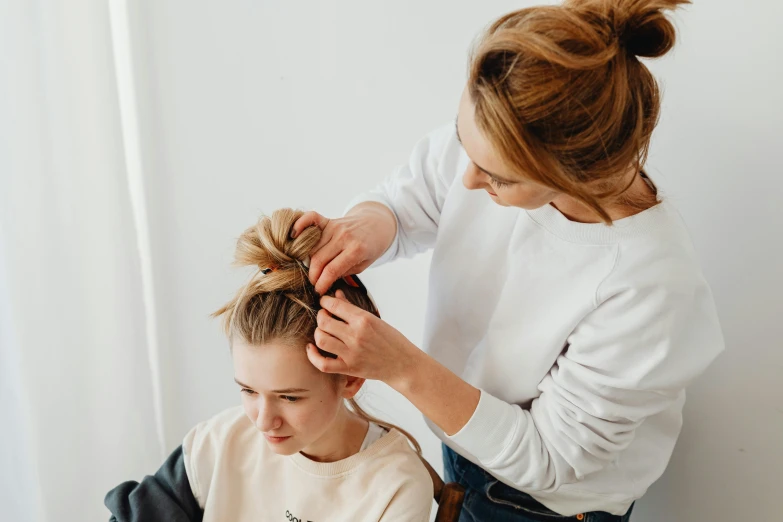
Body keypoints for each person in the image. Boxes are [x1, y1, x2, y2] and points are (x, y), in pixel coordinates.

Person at [293, 1, 724, 520]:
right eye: (462, 140)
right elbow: (418, 194)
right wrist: (372, 221)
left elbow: (550, 459)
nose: (468, 180)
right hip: (465, 442)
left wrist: (401, 367)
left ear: (571, 177)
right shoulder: (492, 146)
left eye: (496, 176)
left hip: (546, 506)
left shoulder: (649, 286)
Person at [105, 209, 433, 522]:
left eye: (289, 397)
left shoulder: (395, 486)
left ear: (350, 379)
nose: (263, 421)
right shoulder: (222, 442)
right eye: (248, 390)